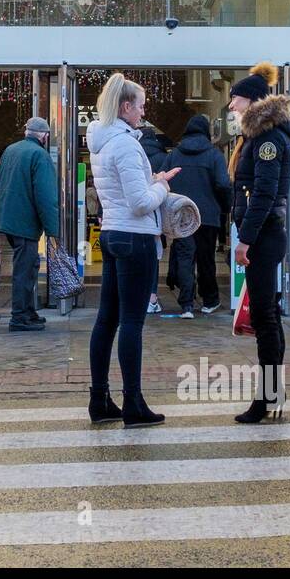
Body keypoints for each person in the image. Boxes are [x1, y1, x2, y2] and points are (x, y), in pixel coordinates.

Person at [86, 73, 179, 426]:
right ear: (126, 107)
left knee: (106, 320)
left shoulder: (103, 140)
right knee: (131, 322)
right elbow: (140, 202)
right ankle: (134, 403)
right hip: (134, 235)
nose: (143, 112)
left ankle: (99, 400)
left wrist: (151, 183)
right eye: (140, 106)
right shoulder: (125, 144)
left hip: (112, 231)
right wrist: (162, 188)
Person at [227, 62, 290, 424]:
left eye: (235, 99)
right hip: (265, 235)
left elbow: (264, 195)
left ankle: (266, 398)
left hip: (264, 236)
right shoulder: (259, 136)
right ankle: (273, 393)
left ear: (253, 101)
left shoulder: (268, 140)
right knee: (268, 314)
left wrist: (245, 241)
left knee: (265, 317)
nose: (231, 107)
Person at [0, 117, 59, 331]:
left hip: (8, 220)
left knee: (29, 266)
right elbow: (46, 196)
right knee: (24, 270)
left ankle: (29, 312)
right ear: (44, 136)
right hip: (25, 222)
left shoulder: (10, 150)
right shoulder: (40, 155)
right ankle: (19, 317)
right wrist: (52, 229)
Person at [163, 115, 232, 318]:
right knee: (206, 258)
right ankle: (209, 300)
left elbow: (161, 180)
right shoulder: (214, 155)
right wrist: (225, 207)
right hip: (208, 216)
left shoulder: (174, 155)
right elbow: (223, 184)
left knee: (185, 258)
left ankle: (186, 304)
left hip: (182, 215)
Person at [139, 122, 173, 315]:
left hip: (134, 218)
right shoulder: (164, 158)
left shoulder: (134, 156)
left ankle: (135, 297)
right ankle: (151, 298)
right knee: (153, 258)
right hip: (156, 216)